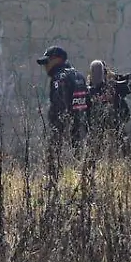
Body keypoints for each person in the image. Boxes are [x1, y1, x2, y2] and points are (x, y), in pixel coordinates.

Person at [38, 46, 87, 176]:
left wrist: (56, 128)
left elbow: (59, 106)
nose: (46, 66)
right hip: (81, 129)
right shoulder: (79, 76)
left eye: (47, 62)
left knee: (54, 164)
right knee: (79, 164)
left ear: (57, 60)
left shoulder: (59, 78)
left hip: (63, 130)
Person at [85, 59, 131, 154]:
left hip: (98, 126)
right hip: (115, 124)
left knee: (93, 152)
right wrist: (116, 76)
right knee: (124, 149)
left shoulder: (88, 90)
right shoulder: (114, 86)